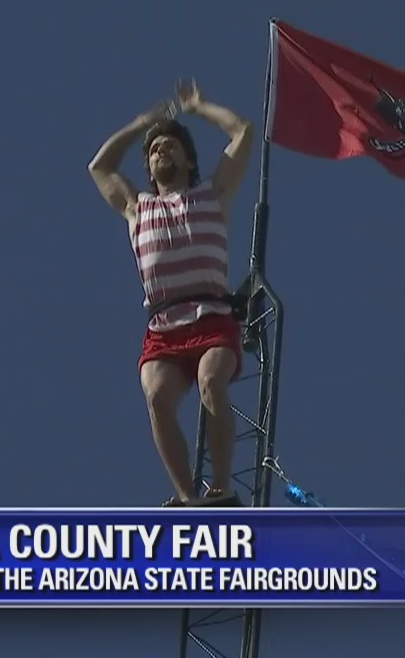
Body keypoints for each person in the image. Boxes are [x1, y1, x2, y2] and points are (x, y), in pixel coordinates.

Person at [87, 79, 254, 507]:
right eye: (154, 148)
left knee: (211, 382)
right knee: (157, 396)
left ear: (187, 159)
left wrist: (199, 106)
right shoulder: (136, 207)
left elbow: (243, 132)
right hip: (164, 325)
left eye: (170, 146)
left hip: (212, 316)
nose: (161, 151)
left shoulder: (211, 195)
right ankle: (187, 496)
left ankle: (221, 487)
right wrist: (142, 123)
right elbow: (100, 167)